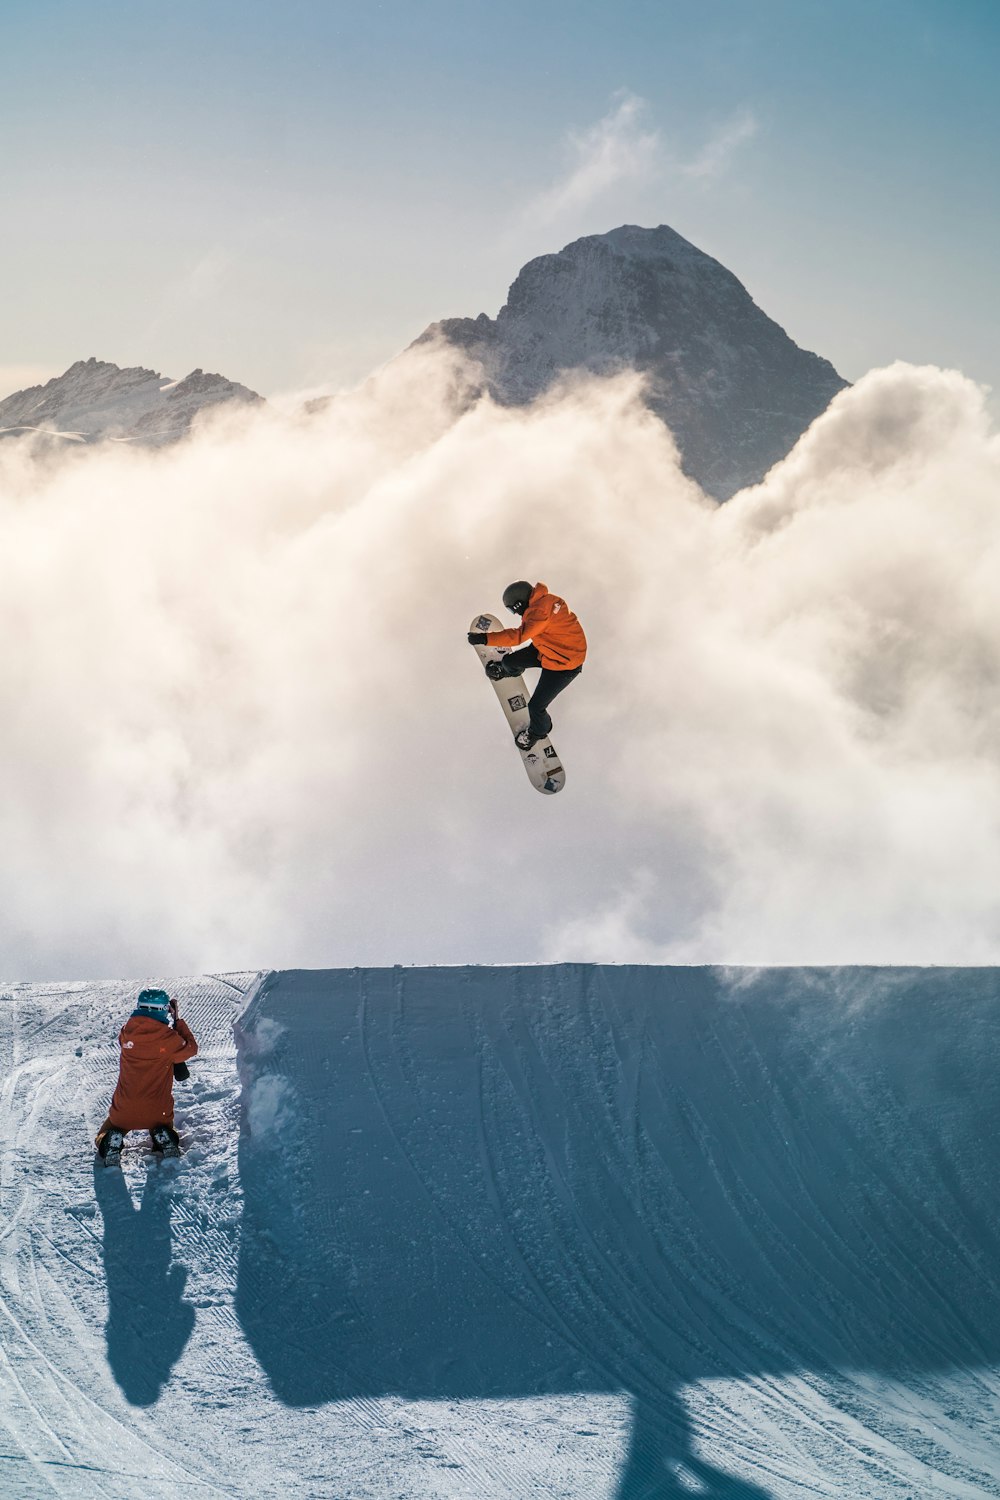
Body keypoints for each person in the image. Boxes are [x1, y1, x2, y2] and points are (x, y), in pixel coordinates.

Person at [468, 580, 587, 750]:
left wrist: (485, 639)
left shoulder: (539, 612)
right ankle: (510, 670)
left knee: (536, 707)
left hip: (564, 665)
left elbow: (518, 636)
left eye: (512, 610)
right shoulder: (542, 603)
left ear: (518, 604)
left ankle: (539, 731)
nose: (514, 614)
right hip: (549, 648)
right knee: (510, 662)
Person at [95, 988, 198, 1162]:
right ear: (164, 1009)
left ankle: (109, 1141)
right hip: (157, 1110)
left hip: (124, 1108)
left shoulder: (126, 1032)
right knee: (164, 1126)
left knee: (106, 1131)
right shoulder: (168, 1038)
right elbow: (191, 1048)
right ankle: (164, 1137)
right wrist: (177, 1020)